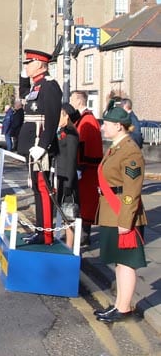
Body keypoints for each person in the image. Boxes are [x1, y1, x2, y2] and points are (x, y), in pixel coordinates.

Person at [92, 106, 148, 323]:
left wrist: (126, 221)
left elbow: (131, 191)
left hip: (122, 213)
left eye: (106, 123)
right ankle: (119, 305)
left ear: (118, 126)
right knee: (119, 261)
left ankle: (123, 308)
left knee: (126, 262)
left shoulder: (130, 150)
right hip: (112, 212)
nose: (102, 127)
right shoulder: (117, 147)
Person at [17, 49, 62, 246]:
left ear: (40, 64)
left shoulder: (49, 86)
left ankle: (46, 234)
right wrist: (22, 77)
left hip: (39, 146)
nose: (26, 66)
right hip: (32, 146)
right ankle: (40, 231)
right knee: (36, 188)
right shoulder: (36, 85)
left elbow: (52, 119)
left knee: (43, 189)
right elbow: (24, 95)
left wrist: (43, 145)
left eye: (29, 63)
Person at [71, 90, 101, 245]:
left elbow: (85, 146)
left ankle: (84, 235)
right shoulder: (83, 119)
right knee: (81, 202)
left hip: (87, 170)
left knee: (86, 203)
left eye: (72, 99)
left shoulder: (88, 120)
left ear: (78, 101)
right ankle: (80, 234)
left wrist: (80, 166)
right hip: (83, 168)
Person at [56, 104, 80, 249]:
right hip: (62, 176)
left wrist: (69, 185)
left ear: (66, 116)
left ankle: (70, 246)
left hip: (68, 179)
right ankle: (67, 242)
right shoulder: (63, 131)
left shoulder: (71, 134)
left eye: (59, 114)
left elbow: (71, 160)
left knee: (70, 214)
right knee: (65, 213)